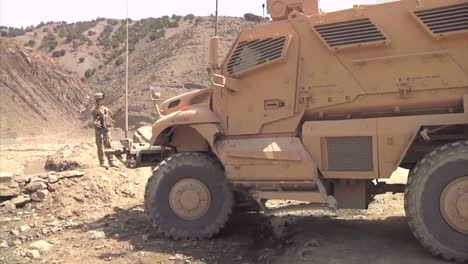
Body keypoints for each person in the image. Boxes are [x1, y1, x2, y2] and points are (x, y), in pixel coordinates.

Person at [92, 92, 118, 168]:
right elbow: (96, 118)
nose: (101, 101)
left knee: (109, 144)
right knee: (100, 146)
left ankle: (111, 161)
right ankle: (102, 162)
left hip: (106, 129)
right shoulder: (95, 110)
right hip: (99, 130)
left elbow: (109, 117)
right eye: (100, 99)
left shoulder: (106, 109)